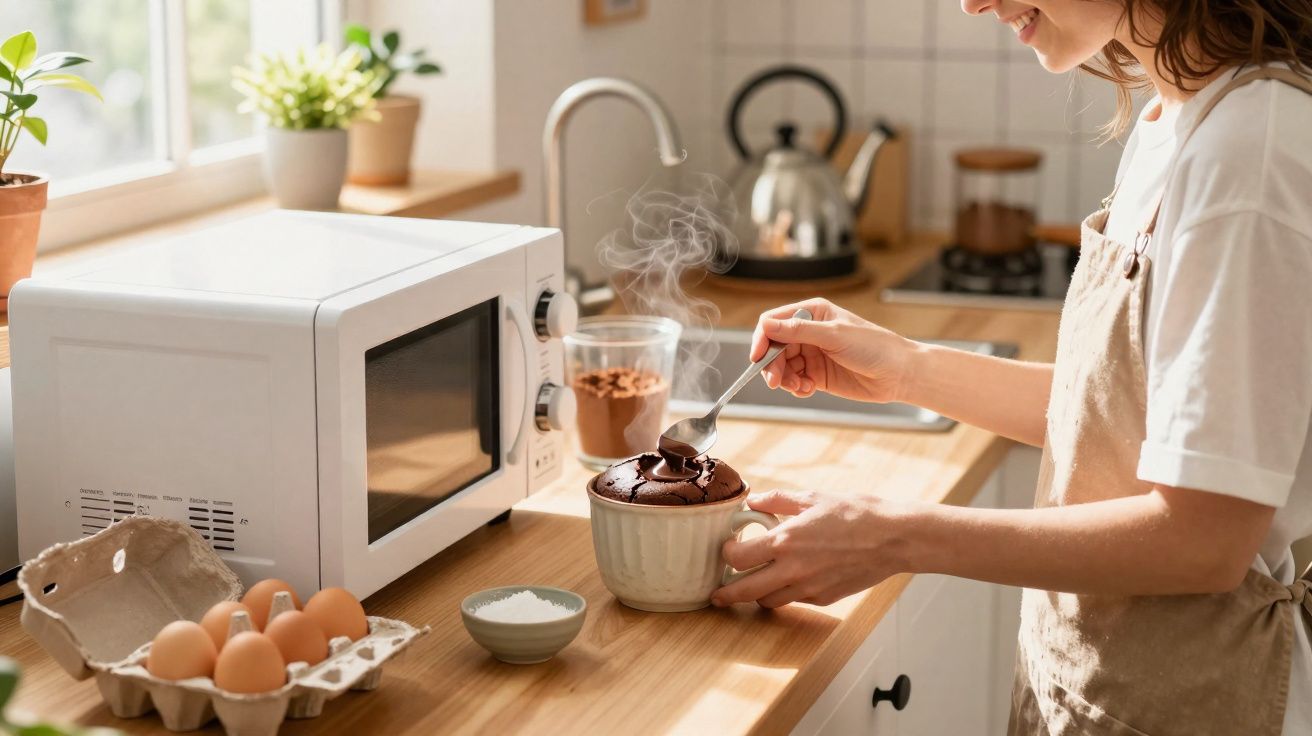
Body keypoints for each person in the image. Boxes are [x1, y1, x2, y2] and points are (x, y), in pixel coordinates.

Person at [710, 1, 1312, 733]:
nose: (972, 1)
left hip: (1198, 701)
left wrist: (895, 537)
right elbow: (1126, 418)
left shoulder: (1250, 151)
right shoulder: (1178, 117)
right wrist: (906, 368)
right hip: (1104, 688)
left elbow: (1205, 539)